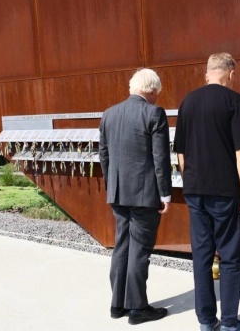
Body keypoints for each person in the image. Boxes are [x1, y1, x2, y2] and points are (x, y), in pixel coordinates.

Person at [174, 53, 240, 331]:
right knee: (231, 256)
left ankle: (207, 322)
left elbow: (181, 155)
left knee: (202, 255)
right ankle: (231, 324)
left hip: (195, 190)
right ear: (231, 73)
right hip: (224, 191)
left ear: (207, 73)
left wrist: (192, 183)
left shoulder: (187, 102)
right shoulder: (235, 101)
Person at [99, 68, 172, 326]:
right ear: (151, 90)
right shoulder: (154, 113)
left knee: (122, 247)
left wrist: (113, 186)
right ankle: (138, 308)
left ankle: (117, 305)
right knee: (139, 251)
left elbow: (104, 156)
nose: (157, 98)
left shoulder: (109, 114)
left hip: (118, 193)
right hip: (144, 195)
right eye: (157, 94)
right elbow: (160, 158)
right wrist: (165, 193)